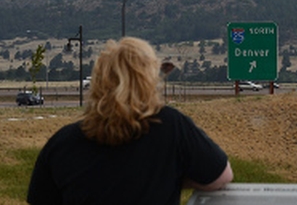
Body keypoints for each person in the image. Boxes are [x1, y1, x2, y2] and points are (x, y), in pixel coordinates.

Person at [27, 37, 233, 204]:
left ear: (99, 80)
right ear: (149, 79)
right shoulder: (170, 126)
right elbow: (221, 177)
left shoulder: (63, 143)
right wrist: (171, 178)